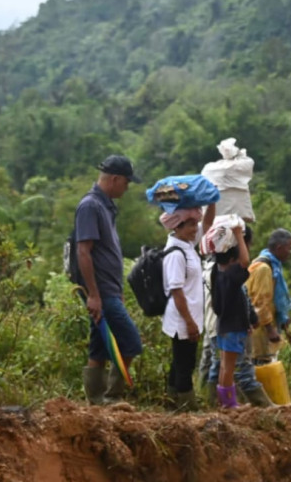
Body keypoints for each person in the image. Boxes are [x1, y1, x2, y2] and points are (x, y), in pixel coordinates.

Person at [74, 155, 144, 405]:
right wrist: (93, 295)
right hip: (101, 291)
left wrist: (118, 289)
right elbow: (84, 251)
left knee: (100, 347)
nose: (127, 188)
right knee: (131, 342)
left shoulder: (105, 206)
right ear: (115, 179)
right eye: (126, 183)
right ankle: (111, 398)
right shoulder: (90, 206)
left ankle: (94, 402)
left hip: (109, 290)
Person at [160, 204, 215, 411]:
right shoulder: (175, 253)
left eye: (195, 224)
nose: (195, 228)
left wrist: (212, 201)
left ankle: (171, 404)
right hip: (182, 319)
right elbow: (176, 292)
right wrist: (190, 322)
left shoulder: (187, 245)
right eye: (191, 225)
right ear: (178, 227)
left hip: (189, 318)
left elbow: (208, 224)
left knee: (179, 361)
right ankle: (188, 409)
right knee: (185, 364)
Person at [213, 224, 254, 408]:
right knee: (229, 367)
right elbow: (245, 261)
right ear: (232, 258)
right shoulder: (231, 276)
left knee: (224, 365)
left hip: (223, 326)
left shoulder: (217, 274)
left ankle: (225, 402)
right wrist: (238, 234)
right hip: (232, 329)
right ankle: (229, 404)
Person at [248, 228, 291, 364]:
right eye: (289, 248)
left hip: (267, 326)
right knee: (261, 366)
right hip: (260, 330)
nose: (290, 252)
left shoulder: (273, 267)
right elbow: (260, 302)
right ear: (279, 247)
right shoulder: (263, 268)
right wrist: (270, 330)